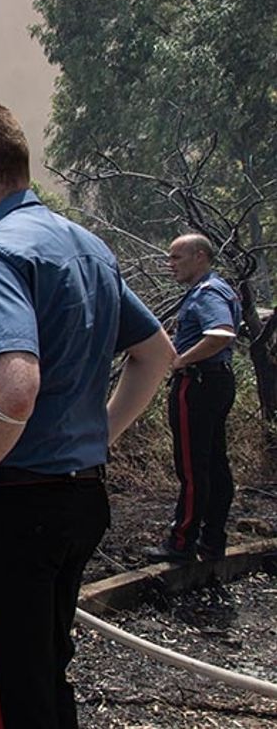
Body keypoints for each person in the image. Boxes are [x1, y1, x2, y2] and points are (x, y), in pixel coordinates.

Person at [0, 104, 174, 729]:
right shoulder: (86, 246)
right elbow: (155, 355)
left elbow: (12, 391)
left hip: (16, 511)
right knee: (44, 676)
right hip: (81, 502)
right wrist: (99, 437)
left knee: (9, 697)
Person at [147, 234, 242, 563]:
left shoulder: (208, 292)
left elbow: (221, 333)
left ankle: (182, 542)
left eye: (176, 257)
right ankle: (212, 539)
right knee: (214, 463)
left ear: (200, 256)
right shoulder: (217, 288)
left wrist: (180, 360)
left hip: (197, 384)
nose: (170, 264)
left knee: (192, 467)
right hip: (216, 382)